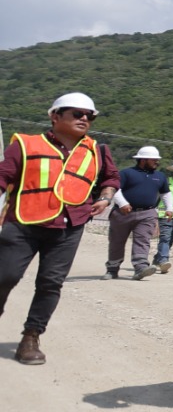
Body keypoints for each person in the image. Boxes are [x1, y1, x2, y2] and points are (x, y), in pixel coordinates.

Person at [0, 93, 119, 365]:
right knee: (4, 276)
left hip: (69, 227)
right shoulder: (25, 145)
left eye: (90, 116)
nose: (85, 119)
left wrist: (105, 197)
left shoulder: (98, 151)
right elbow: (2, 176)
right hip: (23, 223)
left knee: (51, 283)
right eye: (78, 114)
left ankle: (31, 337)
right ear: (55, 116)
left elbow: (111, 178)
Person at [106, 146, 171, 281]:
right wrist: (122, 203)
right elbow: (115, 189)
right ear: (143, 159)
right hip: (122, 213)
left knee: (143, 240)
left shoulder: (160, 176)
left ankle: (140, 267)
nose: (157, 162)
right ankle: (112, 269)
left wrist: (169, 208)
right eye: (154, 159)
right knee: (117, 242)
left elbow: (165, 193)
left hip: (147, 213)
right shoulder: (126, 173)